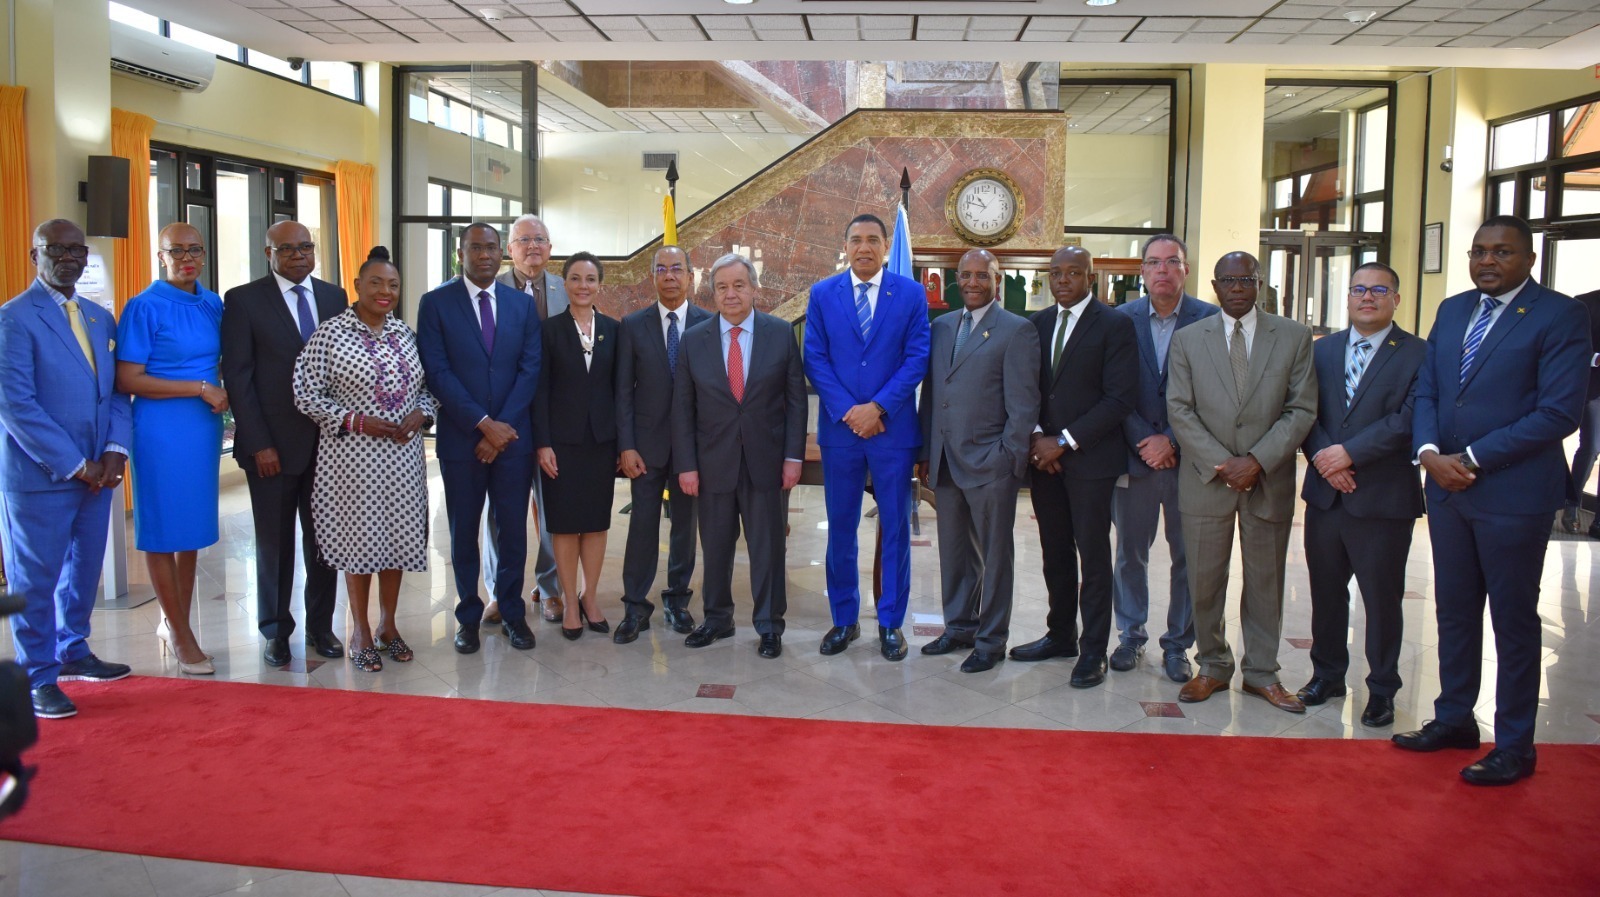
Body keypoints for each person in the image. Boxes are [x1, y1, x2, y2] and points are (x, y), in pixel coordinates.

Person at [1395, 215, 1589, 785]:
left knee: (1511, 620)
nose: (1487, 261)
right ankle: (1455, 718)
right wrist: (1429, 453)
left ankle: (1515, 745)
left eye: (1502, 252)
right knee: (1454, 609)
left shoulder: (1559, 315)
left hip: (1512, 494)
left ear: (1528, 258)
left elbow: (1559, 413)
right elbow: (1428, 388)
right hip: (1447, 488)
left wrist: (1472, 460)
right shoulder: (1453, 309)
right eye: (1479, 251)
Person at [1166, 251, 1315, 713]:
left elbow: (1301, 409)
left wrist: (1256, 459)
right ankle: (1211, 665)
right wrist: (1223, 463)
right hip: (1206, 480)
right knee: (1205, 578)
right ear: (1213, 285)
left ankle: (1262, 674)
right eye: (1227, 281)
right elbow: (1179, 409)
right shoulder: (1189, 339)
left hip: (1267, 479)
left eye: (1245, 279)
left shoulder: (1292, 336)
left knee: (1266, 579)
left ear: (1259, 283)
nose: (1236, 288)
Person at [0, 219, 132, 718]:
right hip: (42, 477)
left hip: (99, 473)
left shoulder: (100, 318)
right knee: (34, 578)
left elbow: (117, 392)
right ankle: (37, 676)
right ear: (35, 255)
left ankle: (74, 650)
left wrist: (116, 450)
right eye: (56, 248)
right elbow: (16, 406)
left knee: (82, 571)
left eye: (77, 248)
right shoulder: (13, 318)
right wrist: (78, 465)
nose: (69, 256)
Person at [293, 247, 436, 673]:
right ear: (357, 286)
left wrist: (423, 411)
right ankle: (360, 631)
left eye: (393, 285)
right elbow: (304, 393)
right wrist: (355, 420)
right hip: (352, 461)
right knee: (361, 543)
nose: (385, 291)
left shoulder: (405, 334)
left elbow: (428, 388)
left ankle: (389, 625)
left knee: (396, 540)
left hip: (403, 460)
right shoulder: (331, 334)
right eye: (376, 283)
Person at [1296, 262, 1426, 728]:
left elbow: (1409, 419)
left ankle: (1382, 689)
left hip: (1382, 498)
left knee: (1381, 598)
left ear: (1396, 298)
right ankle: (1327, 675)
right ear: (1347, 298)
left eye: (1378, 290)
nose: (1366, 297)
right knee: (1326, 593)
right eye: (1358, 289)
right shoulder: (1321, 351)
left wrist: (1348, 454)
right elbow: (1302, 412)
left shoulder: (1418, 354)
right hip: (1327, 496)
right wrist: (1324, 459)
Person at [803, 213, 930, 661]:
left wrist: (876, 408)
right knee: (841, 528)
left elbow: (917, 358)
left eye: (873, 240)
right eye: (855, 239)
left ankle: (891, 623)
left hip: (891, 432)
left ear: (884, 245)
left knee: (894, 528)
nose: (864, 248)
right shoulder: (822, 294)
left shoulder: (911, 294)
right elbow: (814, 358)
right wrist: (849, 412)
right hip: (841, 433)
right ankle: (844, 620)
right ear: (845, 244)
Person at [220, 220, 346, 667]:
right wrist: (257, 442)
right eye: (287, 248)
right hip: (270, 446)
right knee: (275, 544)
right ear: (268, 253)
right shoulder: (242, 300)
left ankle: (321, 627)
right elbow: (237, 374)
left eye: (306, 247)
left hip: (329, 447)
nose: (298, 255)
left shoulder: (334, 297)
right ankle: (275, 631)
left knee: (324, 543)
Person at [1012, 246, 1138, 690]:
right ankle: (1060, 634)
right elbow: (1027, 389)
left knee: (1093, 555)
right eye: (1056, 273)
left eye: (1073, 273)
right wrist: (1035, 439)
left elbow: (1119, 398)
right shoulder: (1037, 324)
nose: (1063, 280)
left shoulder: (1116, 324)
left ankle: (1093, 650)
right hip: (1045, 463)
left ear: (1091, 277)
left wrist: (1062, 442)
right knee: (1054, 552)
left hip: (1089, 460)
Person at [416, 222, 542, 655]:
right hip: (462, 441)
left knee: (512, 532)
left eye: (492, 247)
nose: (485, 255)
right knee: (463, 531)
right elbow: (437, 372)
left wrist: (501, 428)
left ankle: (511, 611)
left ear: (500, 253)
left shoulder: (521, 305)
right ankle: (468, 615)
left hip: (512, 442)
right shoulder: (435, 304)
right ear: (460, 253)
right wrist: (483, 423)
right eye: (476, 248)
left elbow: (530, 369)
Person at [673, 253, 806, 658]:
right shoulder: (694, 339)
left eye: (739, 285)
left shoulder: (780, 333)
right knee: (714, 547)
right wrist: (687, 465)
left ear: (754, 289)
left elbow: (796, 402)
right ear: (712, 293)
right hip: (711, 463)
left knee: (767, 548)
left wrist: (793, 458)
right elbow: (682, 407)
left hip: (765, 462)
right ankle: (717, 619)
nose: (731, 294)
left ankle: (769, 625)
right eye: (722, 287)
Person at [916, 249, 1040, 673]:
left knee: (994, 554)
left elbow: (1024, 406)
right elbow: (933, 395)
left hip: (991, 463)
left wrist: (1008, 458)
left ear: (997, 280)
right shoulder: (943, 326)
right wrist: (925, 452)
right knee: (954, 552)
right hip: (946, 461)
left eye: (981, 276)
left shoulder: (1016, 331)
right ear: (956, 278)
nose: (972, 282)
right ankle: (959, 626)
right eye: (965, 275)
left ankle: (991, 640)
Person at [115, 222, 229, 677]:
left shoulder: (212, 302)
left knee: (190, 531)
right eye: (176, 250)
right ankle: (182, 636)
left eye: (195, 249)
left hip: (203, 429)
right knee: (163, 529)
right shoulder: (144, 307)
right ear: (160, 256)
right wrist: (199, 387)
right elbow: (128, 379)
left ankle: (173, 620)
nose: (187, 258)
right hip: (162, 426)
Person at [1111, 235, 1218, 683]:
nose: (1162, 271)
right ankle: (1130, 636)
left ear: (1186, 269)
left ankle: (1178, 644)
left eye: (1171, 262)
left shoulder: (1210, 320)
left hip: (1189, 463)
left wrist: (1171, 440)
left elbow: (1216, 395)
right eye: (1153, 263)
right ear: (1142, 272)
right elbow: (1113, 389)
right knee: (1130, 553)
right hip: (1134, 459)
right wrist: (1145, 440)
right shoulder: (1120, 320)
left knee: (1187, 557)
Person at [614, 245, 711, 643]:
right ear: (652, 276)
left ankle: (677, 600)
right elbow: (621, 391)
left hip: (693, 448)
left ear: (691, 276)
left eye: (677, 269)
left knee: (685, 527)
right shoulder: (632, 325)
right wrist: (626, 446)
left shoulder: (709, 323)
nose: (669, 275)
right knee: (642, 526)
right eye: (661, 269)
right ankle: (635, 606)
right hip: (646, 447)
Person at [483, 214, 567, 625]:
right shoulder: (490, 290)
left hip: (552, 417)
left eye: (540, 240)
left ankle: (550, 588)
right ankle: (500, 592)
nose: (533, 246)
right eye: (524, 240)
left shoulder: (565, 289)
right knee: (503, 510)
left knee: (552, 509)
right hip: (505, 418)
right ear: (508, 249)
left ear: (550, 249)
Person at [534, 252, 620, 640]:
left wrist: (623, 443)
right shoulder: (548, 330)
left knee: (597, 524)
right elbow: (539, 392)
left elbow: (622, 391)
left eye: (590, 279)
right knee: (566, 527)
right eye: (575, 278)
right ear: (564, 284)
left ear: (600, 284)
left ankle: (590, 597)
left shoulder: (615, 330)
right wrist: (543, 443)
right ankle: (569, 601)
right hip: (561, 445)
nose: (583, 285)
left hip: (602, 442)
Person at [1560, 286, 1600, 537]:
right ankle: (1571, 505)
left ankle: (1598, 522)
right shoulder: (1584, 304)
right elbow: (1570, 347)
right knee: (1591, 447)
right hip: (1592, 388)